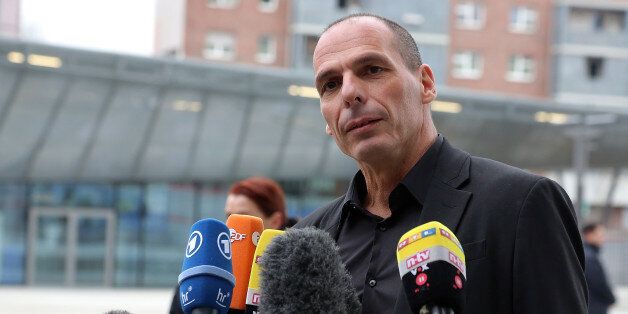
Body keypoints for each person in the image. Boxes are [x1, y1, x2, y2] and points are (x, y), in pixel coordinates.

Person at [294, 13, 587, 313]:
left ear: (425, 84)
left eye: (372, 70)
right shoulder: (305, 238)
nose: (348, 93)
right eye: (330, 85)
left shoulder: (520, 203)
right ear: (327, 121)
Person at [169, 176, 289, 314]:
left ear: (275, 221)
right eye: (228, 216)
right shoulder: (203, 273)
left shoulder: (293, 274)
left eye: (241, 218)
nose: (231, 227)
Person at [582, 222, 616, 314]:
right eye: (600, 235)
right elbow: (599, 284)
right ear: (589, 235)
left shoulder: (585, 254)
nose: (603, 238)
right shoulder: (589, 257)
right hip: (594, 307)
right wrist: (611, 299)